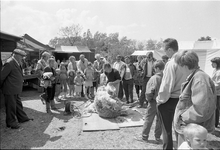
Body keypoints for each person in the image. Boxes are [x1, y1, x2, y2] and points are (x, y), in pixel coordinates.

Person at [173, 50, 216, 148]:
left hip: (193, 131)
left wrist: (182, 117)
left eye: (178, 65)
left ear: (183, 66)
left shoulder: (199, 79)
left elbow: (202, 109)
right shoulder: (196, 77)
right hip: (191, 130)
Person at [156, 38, 190, 150]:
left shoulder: (172, 63)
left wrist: (160, 100)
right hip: (183, 100)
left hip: (170, 100)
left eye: (165, 50)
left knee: (167, 131)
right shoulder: (186, 62)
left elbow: (166, 86)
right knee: (180, 131)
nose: (164, 53)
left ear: (170, 50)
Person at [1, 49, 33, 129]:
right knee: (11, 107)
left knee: (18, 105)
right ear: (16, 55)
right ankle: (11, 122)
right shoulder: (9, 63)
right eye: (21, 56)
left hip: (15, 89)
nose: (22, 58)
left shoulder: (16, 62)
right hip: (10, 89)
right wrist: (3, 87)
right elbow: (1, 77)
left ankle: (22, 118)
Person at [136, 60, 164, 143]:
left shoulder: (154, 78)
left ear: (157, 68)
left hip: (154, 101)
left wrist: (149, 99)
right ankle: (158, 137)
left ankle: (144, 136)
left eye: (154, 68)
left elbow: (149, 92)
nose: (154, 70)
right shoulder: (166, 77)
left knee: (149, 119)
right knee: (160, 120)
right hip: (163, 102)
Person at [210, 57, 220, 128]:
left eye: (213, 63)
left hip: (218, 93)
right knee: (215, 108)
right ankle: (215, 123)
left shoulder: (219, 72)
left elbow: (218, 84)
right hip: (215, 92)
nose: (211, 64)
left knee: (217, 108)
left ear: (217, 63)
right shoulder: (215, 70)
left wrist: (210, 87)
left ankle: (216, 123)